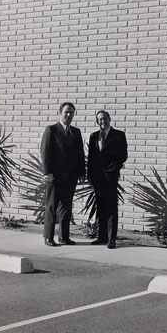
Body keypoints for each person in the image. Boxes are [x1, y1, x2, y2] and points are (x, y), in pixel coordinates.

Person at [40, 102, 85, 246]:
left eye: (71, 112)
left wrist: (81, 173)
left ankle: (64, 236)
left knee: (66, 207)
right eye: (66, 112)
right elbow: (45, 152)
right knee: (52, 207)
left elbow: (80, 154)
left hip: (70, 177)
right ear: (60, 112)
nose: (69, 115)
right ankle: (48, 237)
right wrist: (47, 172)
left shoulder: (76, 132)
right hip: (55, 176)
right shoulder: (51, 130)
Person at [87, 110, 128, 248]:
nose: (102, 121)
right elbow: (91, 159)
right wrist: (89, 176)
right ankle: (102, 236)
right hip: (97, 178)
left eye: (104, 118)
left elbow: (123, 155)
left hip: (110, 178)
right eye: (99, 119)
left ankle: (111, 239)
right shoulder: (93, 136)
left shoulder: (119, 135)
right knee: (100, 207)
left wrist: (113, 169)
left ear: (109, 119)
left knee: (111, 207)